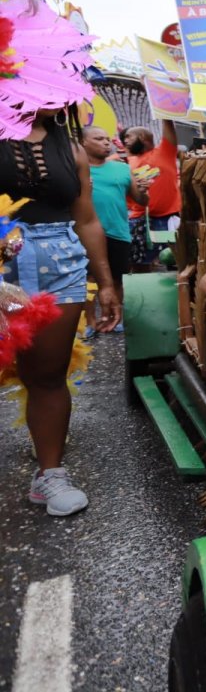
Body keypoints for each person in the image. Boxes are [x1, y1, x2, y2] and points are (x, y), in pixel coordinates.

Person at [1, 107, 122, 515]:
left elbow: (86, 218)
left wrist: (105, 283)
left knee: (47, 374)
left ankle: (50, 474)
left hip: (60, 266)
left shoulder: (72, 150)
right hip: (3, 264)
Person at [79, 126, 149, 337]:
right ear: (83, 143)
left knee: (117, 279)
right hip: (86, 233)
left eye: (107, 138)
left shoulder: (123, 168)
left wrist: (145, 192)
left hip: (118, 231)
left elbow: (141, 200)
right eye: (98, 139)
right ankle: (90, 322)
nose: (106, 143)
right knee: (89, 278)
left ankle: (112, 319)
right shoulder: (76, 170)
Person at [125, 121, 180, 272]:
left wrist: (164, 112)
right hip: (138, 220)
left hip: (167, 219)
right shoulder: (128, 162)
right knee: (140, 264)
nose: (125, 140)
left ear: (142, 137)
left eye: (129, 136)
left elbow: (169, 127)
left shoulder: (165, 151)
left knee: (172, 260)